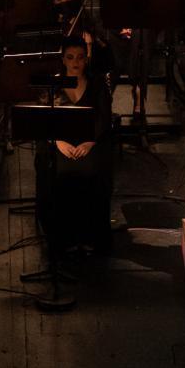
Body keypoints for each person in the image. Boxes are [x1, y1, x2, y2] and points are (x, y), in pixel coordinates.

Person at [34, 34, 114, 259]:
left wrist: (90, 142)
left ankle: (89, 236)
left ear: (86, 59)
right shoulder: (53, 85)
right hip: (61, 144)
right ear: (63, 59)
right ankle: (63, 238)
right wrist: (58, 141)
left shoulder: (97, 84)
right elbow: (44, 121)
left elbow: (104, 118)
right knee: (58, 173)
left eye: (80, 57)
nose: (75, 62)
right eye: (70, 58)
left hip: (89, 142)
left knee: (92, 171)